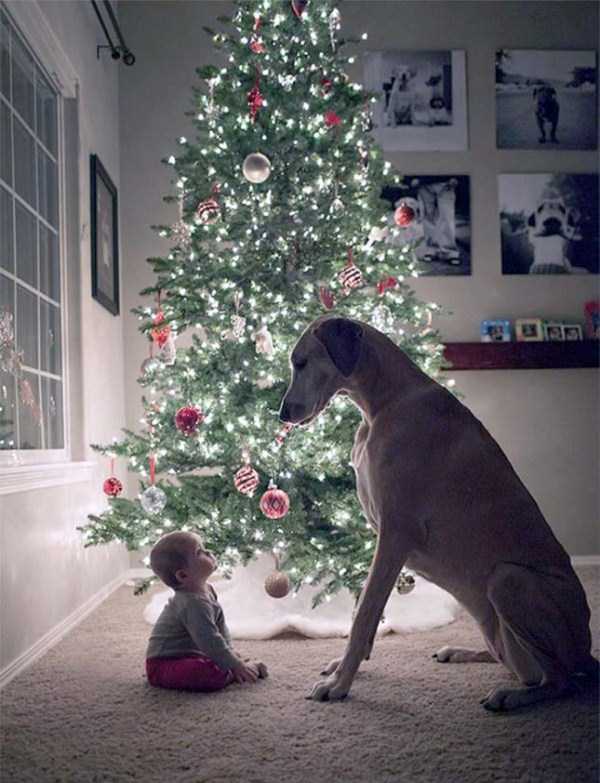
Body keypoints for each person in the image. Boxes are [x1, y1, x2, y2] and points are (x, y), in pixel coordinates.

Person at [146, 531, 268, 691]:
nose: (208, 552)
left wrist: (231, 654)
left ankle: (232, 666)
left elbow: (219, 626)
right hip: (163, 665)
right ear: (183, 575)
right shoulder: (192, 603)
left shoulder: (207, 589)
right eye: (199, 552)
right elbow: (209, 639)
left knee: (221, 658)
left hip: (191, 654)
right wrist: (235, 665)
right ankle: (236, 672)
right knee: (209, 673)